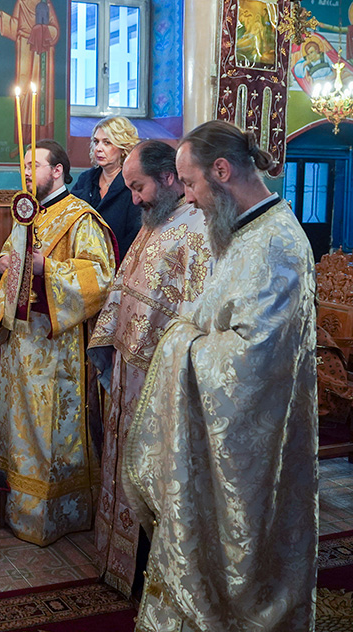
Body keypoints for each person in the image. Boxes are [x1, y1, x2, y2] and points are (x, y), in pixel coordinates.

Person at [126, 121, 317, 631]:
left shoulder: (276, 244)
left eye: (190, 184)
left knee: (241, 563)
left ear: (223, 171)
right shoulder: (246, 232)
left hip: (249, 455)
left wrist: (177, 344)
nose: (188, 199)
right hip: (218, 443)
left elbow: (253, 364)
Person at [85, 140, 213, 600]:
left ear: (169, 179)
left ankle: (148, 575)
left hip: (160, 379)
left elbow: (197, 312)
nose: (134, 199)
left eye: (138, 187)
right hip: (127, 370)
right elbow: (122, 286)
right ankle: (118, 561)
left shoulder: (198, 231)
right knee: (123, 466)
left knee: (150, 473)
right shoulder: (153, 223)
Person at [0, 139, 115, 545]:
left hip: (55, 346)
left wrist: (49, 267)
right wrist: (1, 264)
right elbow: (9, 257)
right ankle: (16, 506)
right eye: (23, 164)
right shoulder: (28, 213)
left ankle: (53, 515)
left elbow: (100, 278)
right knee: (19, 426)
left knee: (49, 431)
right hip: (22, 343)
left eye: (33, 164)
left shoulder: (81, 218)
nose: (26, 172)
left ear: (57, 170)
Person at [0, 0, 59, 145]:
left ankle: (42, 142)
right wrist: (0, 15)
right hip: (25, 49)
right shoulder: (21, 0)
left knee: (40, 92)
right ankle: (24, 140)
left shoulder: (46, 2)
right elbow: (14, 25)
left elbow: (55, 30)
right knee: (24, 91)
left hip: (43, 51)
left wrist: (42, 31)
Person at [71, 116, 141, 264]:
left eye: (107, 142)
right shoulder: (85, 180)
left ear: (123, 147)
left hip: (118, 265)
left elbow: (134, 236)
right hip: (82, 265)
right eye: (96, 142)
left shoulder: (132, 185)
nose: (98, 148)